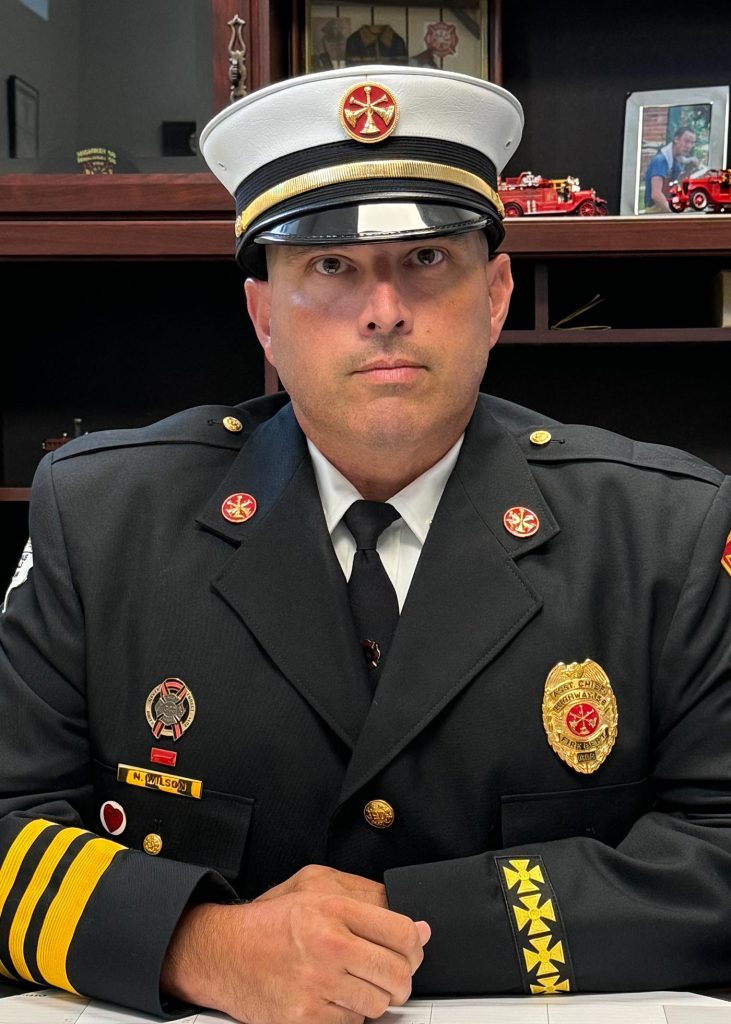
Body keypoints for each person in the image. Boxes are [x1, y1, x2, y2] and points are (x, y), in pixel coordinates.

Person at [1, 63, 731, 1024]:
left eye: (427, 260)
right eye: (330, 267)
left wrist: (396, 932)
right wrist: (197, 944)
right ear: (264, 314)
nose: (384, 308)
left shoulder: (664, 532)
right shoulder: (99, 518)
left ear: (497, 293)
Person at [644, 124, 698, 212]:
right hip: (654, 209)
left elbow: (678, 184)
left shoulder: (675, 160)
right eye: (686, 141)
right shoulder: (661, 160)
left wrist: (689, 169)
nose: (689, 146)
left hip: (665, 204)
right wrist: (673, 214)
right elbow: (656, 194)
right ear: (676, 139)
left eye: (692, 143)